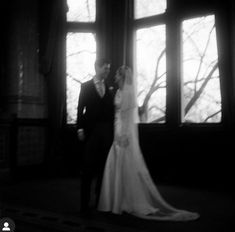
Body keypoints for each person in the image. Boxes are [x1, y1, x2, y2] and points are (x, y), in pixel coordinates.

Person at [98, 65, 200, 221]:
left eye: (118, 75)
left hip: (122, 133)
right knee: (117, 165)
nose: (115, 77)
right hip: (116, 129)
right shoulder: (118, 91)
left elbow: (128, 118)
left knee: (123, 165)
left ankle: (124, 201)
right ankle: (117, 199)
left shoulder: (127, 93)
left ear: (123, 77)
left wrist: (123, 135)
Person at [77, 58, 115, 216]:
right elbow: (80, 108)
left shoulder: (109, 88)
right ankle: (84, 204)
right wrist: (79, 128)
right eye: (105, 68)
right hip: (90, 131)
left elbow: (112, 111)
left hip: (106, 132)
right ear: (97, 68)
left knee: (103, 167)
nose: (107, 71)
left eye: (108, 68)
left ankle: (99, 199)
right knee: (87, 168)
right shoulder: (85, 86)